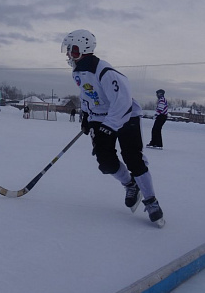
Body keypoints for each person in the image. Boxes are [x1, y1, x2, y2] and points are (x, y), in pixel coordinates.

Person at [61, 29, 164, 227]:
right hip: (100, 118)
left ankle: (151, 200)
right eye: (68, 51)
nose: (68, 55)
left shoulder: (105, 72)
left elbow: (122, 101)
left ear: (84, 49)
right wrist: (86, 116)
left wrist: (109, 127)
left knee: (133, 158)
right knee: (105, 161)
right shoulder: (78, 72)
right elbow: (87, 96)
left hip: (126, 116)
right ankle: (130, 185)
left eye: (72, 51)